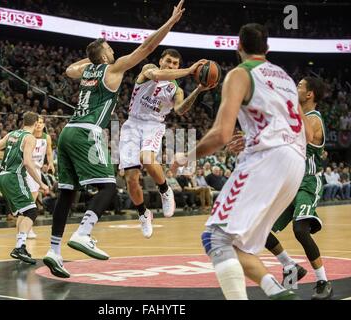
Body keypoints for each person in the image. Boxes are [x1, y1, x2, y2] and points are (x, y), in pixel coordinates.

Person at [42, 0, 186, 279]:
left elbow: (70, 69)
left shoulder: (85, 71)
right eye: (108, 47)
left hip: (66, 133)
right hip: (87, 132)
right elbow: (147, 48)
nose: (112, 48)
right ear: (105, 55)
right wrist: (169, 23)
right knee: (109, 187)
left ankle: (54, 251)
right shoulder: (114, 69)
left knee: (66, 194)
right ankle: (84, 233)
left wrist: (93, 57)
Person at [172, 23, 311, 300]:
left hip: (268, 160)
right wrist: (250, 138)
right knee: (238, 245)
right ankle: (276, 289)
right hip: (296, 161)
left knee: (215, 237)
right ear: (267, 49)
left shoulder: (240, 73)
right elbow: (299, 127)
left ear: (238, 46)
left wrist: (185, 157)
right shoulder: (284, 77)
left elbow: (221, 134)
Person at [119, 48, 210, 238]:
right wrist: (188, 70)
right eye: (168, 61)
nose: (171, 65)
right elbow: (158, 75)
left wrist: (199, 89)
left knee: (147, 158)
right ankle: (144, 214)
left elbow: (180, 110)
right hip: (132, 124)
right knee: (131, 178)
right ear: (161, 61)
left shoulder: (177, 90)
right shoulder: (149, 69)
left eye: (175, 63)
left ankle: (165, 189)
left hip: (154, 124)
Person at [263, 76, 333, 300]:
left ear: (309, 94)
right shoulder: (295, 117)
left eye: (300, 86)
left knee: (300, 230)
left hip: (308, 183)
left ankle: (323, 281)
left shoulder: (313, 119)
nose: (296, 88)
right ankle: (290, 267)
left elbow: (304, 136)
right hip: (289, 183)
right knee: (261, 231)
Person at [0, 112, 49, 264]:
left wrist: (6, 158)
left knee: (23, 212)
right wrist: (41, 183)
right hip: (14, 176)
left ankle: (20, 245)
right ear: (36, 124)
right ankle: (20, 247)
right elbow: (28, 163)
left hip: (2, 176)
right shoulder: (30, 138)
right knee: (32, 211)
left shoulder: (12, 134)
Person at [25, 116, 54, 239]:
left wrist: (51, 163)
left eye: (41, 123)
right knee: (30, 201)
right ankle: (27, 229)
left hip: (37, 170)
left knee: (32, 200)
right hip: (27, 169)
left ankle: (27, 228)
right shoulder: (28, 136)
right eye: (37, 122)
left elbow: (49, 152)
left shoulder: (46, 137)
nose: (39, 124)